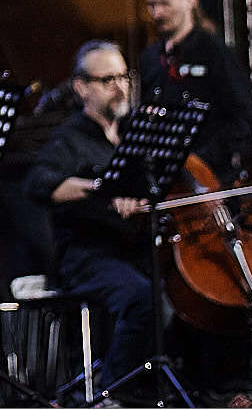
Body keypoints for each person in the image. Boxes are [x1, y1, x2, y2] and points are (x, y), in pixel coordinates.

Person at [25, 40, 153, 394]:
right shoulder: (69, 139)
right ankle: (112, 392)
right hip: (88, 256)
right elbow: (40, 184)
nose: (120, 86)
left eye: (124, 76)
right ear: (82, 87)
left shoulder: (137, 134)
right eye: (108, 79)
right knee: (142, 298)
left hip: (136, 249)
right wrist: (103, 188)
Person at [141, 0, 252, 181]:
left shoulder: (214, 51)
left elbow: (243, 117)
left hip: (211, 175)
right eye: (152, 5)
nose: (157, 13)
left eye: (165, 3)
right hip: (167, 179)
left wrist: (201, 159)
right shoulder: (150, 57)